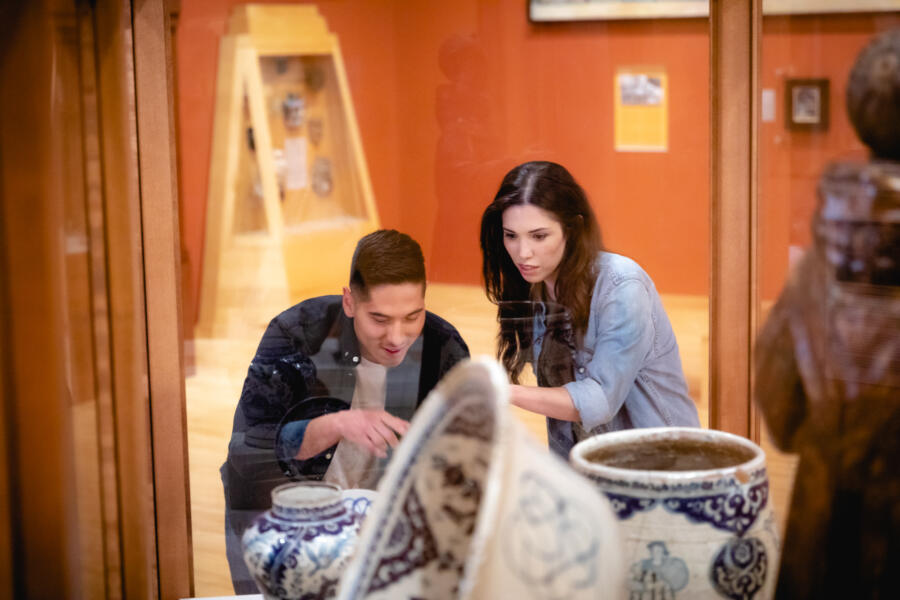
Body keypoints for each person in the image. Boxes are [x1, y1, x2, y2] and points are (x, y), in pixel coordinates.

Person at [221, 229, 470, 592]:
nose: (398, 337)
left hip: (389, 524)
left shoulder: (443, 347)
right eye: (380, 320)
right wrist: (337, 423)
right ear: (350, 302)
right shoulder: (295, 336)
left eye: (412, 317)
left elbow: (465, 463)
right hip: (291, 519)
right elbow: (251, 453)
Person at [480, 161, 698, 457]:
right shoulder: (536, 286)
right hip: (590, 469)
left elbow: (599, 400)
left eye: (539, 236)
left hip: (661, 468)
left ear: (572, 229)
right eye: (511, 235)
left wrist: (503, 391)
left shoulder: (622, 285)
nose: (523, 252)